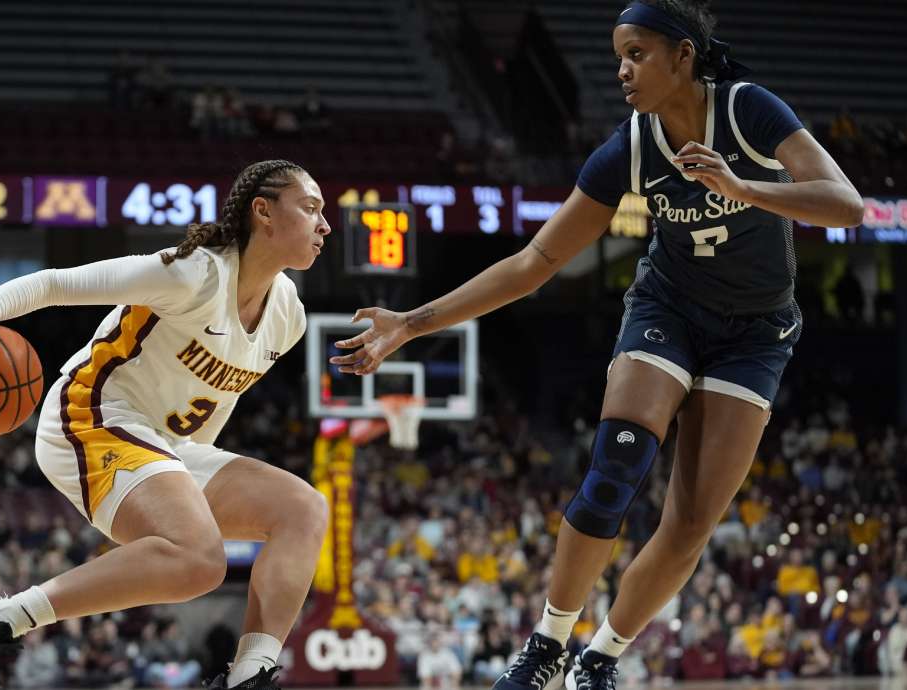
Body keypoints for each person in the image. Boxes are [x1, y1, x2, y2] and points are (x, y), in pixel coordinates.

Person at [332, 2, 863, 690]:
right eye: (617, 56)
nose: (622, 70)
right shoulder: (630, 147)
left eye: (637, 54)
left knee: (693, 521)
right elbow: (535, 261)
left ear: (682, 56)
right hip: (669, 310)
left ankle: (603, 655)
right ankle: (548, 642)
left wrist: (741, 187)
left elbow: (846, 203)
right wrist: (412, 322)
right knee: (617, 462)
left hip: (757, 334)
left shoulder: (749, 111)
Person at [0, 160, 331, 690]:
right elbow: (55, 284)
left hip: (164, 443)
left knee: (303, 509)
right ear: (263, 213)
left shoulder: (288, 316)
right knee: (201, 560)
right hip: (90, 416)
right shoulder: (192, 274)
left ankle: (250, 676)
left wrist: (177, 484)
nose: (325, 226)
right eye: (311, 208)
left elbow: (221, 397)